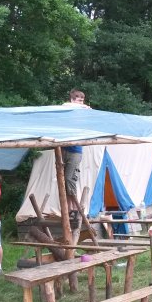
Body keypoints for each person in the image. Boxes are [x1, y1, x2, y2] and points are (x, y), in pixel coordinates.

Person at [61, 89, 91, 226]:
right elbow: (64, 106)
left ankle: (74, 206)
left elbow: (90, 112)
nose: (81, 103)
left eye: (82, 101)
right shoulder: (68, 109)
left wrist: (84, 108)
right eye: (79, 100)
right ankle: (68, 208)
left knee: (70, 178)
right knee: (63, 180)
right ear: (72, 100)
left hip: (76, 151)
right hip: (64, 148)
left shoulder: (83, 112)